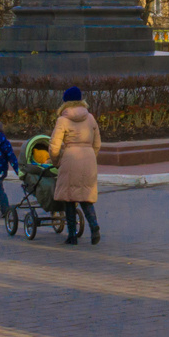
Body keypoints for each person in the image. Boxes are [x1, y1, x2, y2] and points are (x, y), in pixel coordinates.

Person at [48, 85, 102, 245]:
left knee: (69, 198)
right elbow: (97, 143)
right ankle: (94, 226)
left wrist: (56, 161)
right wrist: (91, 156)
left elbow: (54, 146)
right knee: (86, 197)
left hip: (70, 159)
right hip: (89, 158)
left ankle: (72, 235)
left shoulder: (62, 120)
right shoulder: (90, 118)